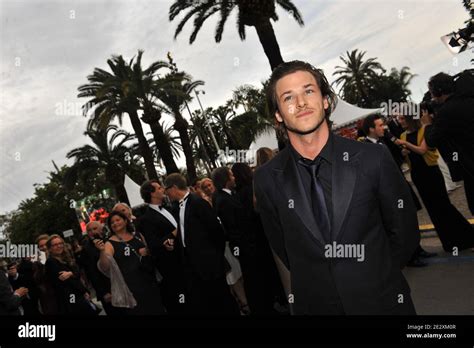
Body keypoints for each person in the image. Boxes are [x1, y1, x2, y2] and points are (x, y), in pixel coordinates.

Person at [254, 60, 419, 315]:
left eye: (309, 91)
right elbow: (284, 248)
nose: (301, 103)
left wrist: (374, 276)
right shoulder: (267, 180)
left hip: (383, 302)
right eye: (288, 97)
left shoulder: (372, 158)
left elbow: (404, 233)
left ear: (326, 100)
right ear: (278, 114)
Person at [362, 114, 433, 267]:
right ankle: (410, 257)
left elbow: (394, 159)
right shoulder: (366, 148)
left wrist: (401, 154)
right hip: (388, 192)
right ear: (371, 129)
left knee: (410, 217)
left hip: (400, 185)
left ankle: (418, 249)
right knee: (399, 223)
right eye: (380, 126)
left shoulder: (384, 141)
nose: (384, 128)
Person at [395, 114, 474, 252]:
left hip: (431, 172)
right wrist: (404, 152)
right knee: (432, 210)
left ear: (410, 117)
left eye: (402, 118)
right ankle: (450, 243)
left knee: (444, 206)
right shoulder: (402, 135)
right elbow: (409, 154)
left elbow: (422, 150)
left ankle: (469, 237)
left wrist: (406, 145)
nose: (399, 121)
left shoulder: (426, 129)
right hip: (417, 175)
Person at [164, 173, 239, 315]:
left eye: (166, 189)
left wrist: (215, 257)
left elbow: (217, 232)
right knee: (208, 302)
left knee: (224, 299)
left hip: (210, 263)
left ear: (173, 187)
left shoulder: (198, 202)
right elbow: (185, 231)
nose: (165, 193)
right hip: (193, 265)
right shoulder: (176, 207)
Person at [232, 162, 285, 315]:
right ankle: (282, 299)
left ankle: (277, 300)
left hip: (255, 241)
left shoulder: (237, 194)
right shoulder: (252, 190)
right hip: (264, 236)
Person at [96, 211, 165, 315]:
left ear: (125, 220)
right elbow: (105, 266)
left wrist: (146, 252)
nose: (115, 223)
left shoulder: (138, 235)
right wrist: (101, 251)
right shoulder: (109, 243)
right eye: (112, 222)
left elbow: (151, 253)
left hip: (149, 281)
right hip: (131, 287)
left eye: (117, 220)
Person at [424, 72, 474, 215]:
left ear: (439, 91)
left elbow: (431, 141)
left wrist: (427, 124)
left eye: (432, 93)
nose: (432, 97)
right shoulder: (469, 99)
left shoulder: (446, 112)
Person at [136, 180, 185, 315]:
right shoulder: (146, 219)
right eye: (159, 188)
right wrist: (174, 234)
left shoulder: (170, 208)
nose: (163, 189)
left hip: (186, 260)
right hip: (172, 267)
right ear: (152, 194)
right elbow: (154, 245)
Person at [211, 167, 250, 315]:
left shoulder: (226, 195)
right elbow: (233, 227)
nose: (234, 178)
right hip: (242, 246)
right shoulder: (222, 199)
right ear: (225, 179)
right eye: (231, 176)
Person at [45, 234, 98, 315]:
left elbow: (77, 273)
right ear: (50, 248)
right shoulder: (51, 262)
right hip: (70, 298)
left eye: (60, 243)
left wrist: (71, 273)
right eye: (55, 245)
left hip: (76, 295)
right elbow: (68, 281)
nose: (59, 246)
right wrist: (83, 291)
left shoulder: (64, 259)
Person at [76, 221, 115, 315]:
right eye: (89, 230)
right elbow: (91, 273)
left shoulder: (109, 241)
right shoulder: (86, 249)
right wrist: (103, 292)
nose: (92, 232)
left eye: (95, 228)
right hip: (106, 289)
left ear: (101, 229)